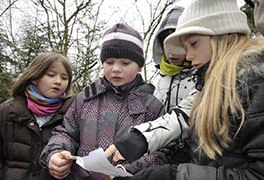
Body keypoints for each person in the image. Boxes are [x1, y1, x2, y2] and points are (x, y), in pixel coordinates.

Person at [109, 0, 264, 179]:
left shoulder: (254, 84)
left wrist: (174, 175)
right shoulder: (212, 87)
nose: (188, 56)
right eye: (185, 47)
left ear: (226, 36)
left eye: (194, 43)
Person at [39, 23, 167, 179]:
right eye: (109, 62)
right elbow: (66, 133)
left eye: (125, 63)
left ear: (140, 66)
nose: (116, 69)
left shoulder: (152, 107)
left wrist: (126, 171)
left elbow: (162, 153)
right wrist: (55, 153)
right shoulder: (85, 98)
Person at [0, 52, 74, 180]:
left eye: (64, 78)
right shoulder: (6, 111)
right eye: (51, 75)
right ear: (34, 77)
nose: (58, 81)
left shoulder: (73, 112)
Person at [151, 5, 195, 113]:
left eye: (178, 45)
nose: (172, 52)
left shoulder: (200, 78)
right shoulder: (157, 81)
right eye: (167, 45)